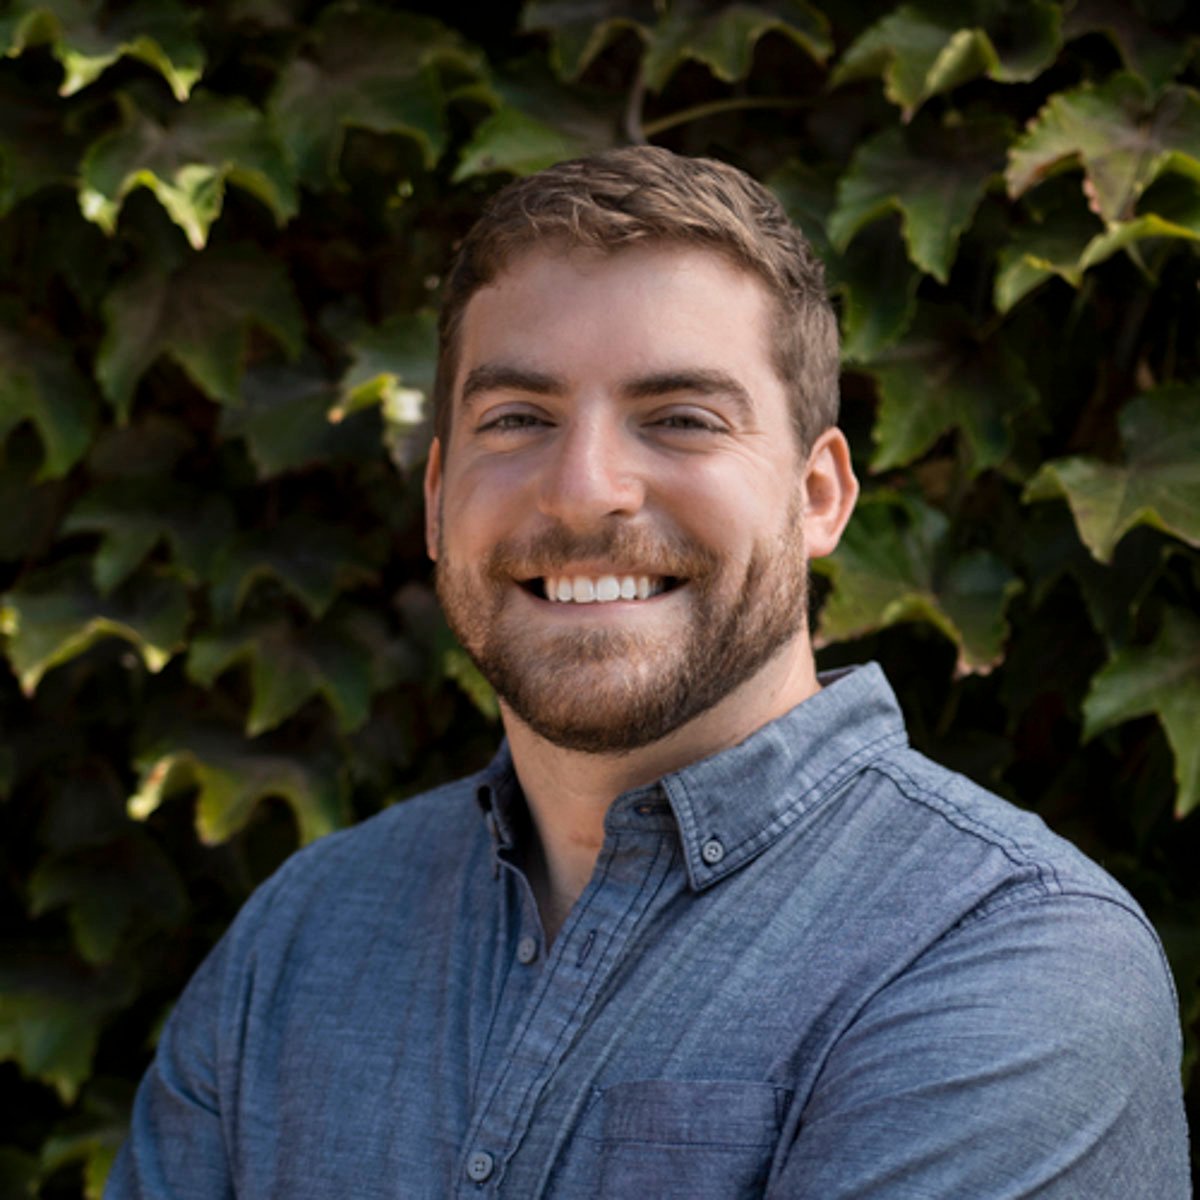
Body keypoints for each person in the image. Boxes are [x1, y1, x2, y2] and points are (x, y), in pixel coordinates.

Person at [106, 146, 1190, 1198]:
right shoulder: (306, 935)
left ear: (819, 497)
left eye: (680, 419)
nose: (584, 491)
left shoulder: (1009, 954)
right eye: (517, 419)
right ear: (437, 497)